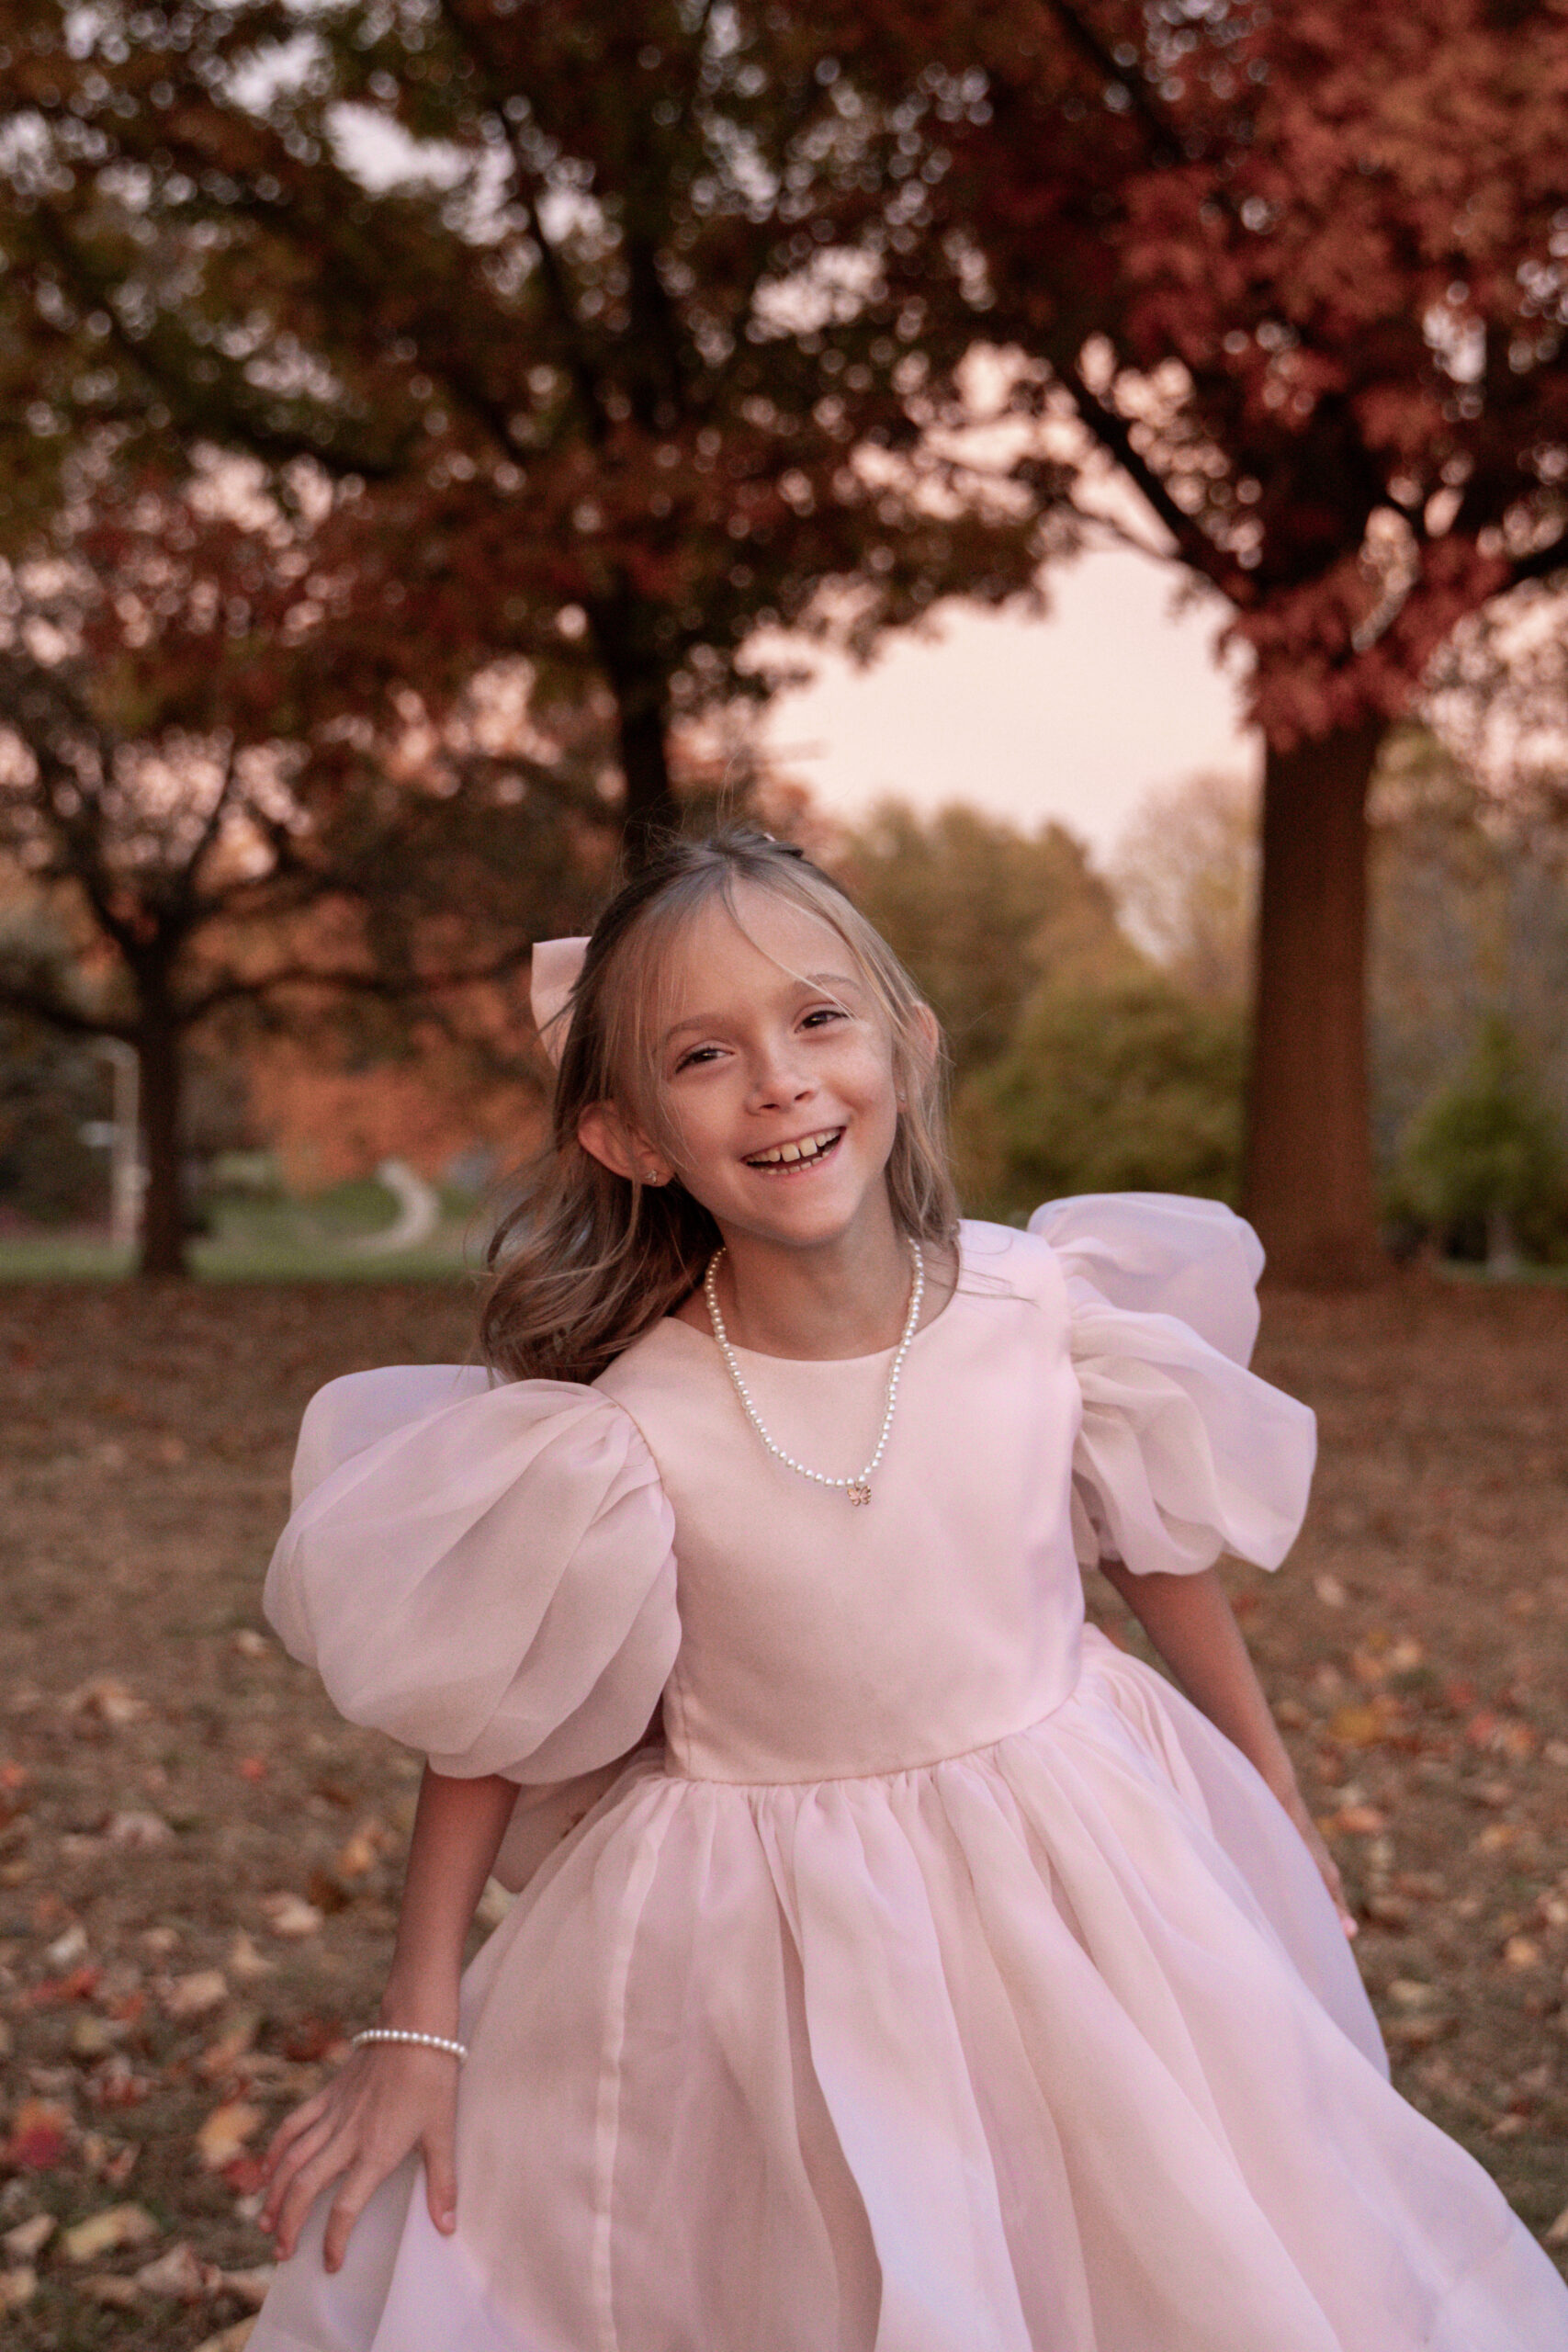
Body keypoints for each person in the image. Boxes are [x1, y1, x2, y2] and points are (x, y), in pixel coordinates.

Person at [249, 829, 1568, 2352]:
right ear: (629, 1137)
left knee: (1152, 2220)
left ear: (906, 1045)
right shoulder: (621, 1433)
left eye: (819, 1019)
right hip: (764, 1936)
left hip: (1075, 1872)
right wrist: (421, 2022)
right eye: (703, 1055)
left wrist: (1267, 1782)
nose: (780, 1082)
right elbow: (487, 1721)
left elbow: (1150, 1547)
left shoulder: (1041, 1309)